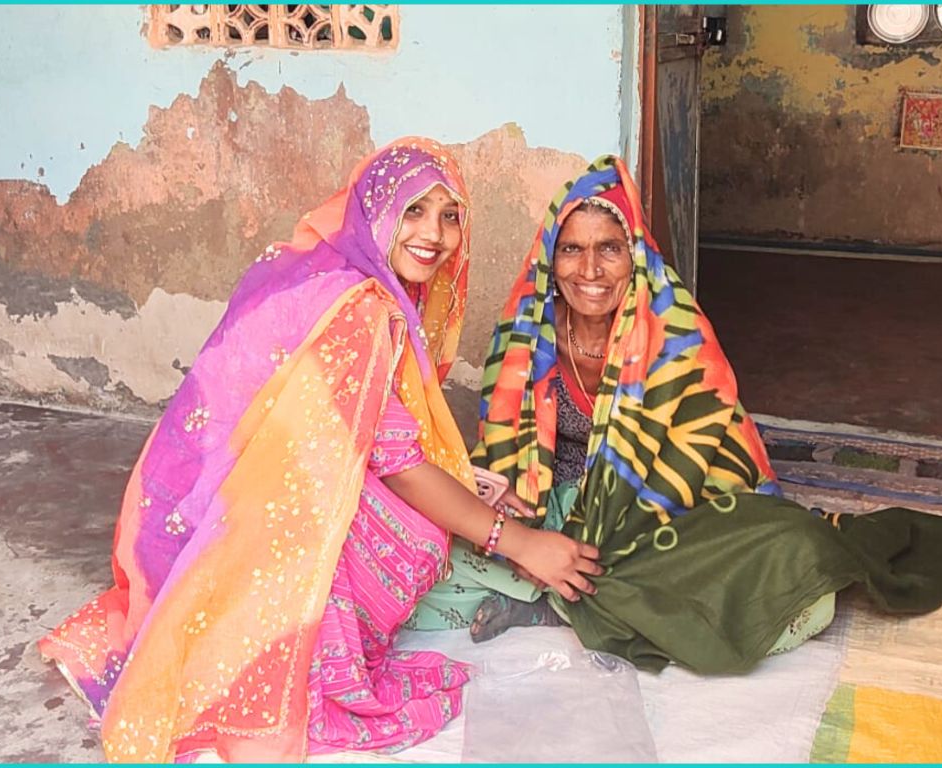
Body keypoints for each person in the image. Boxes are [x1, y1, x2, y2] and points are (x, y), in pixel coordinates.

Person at [38, 138, 600, 763]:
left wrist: (458, 472)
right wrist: (514, 541)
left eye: (449, 215)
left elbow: (348, 426)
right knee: (419, 530)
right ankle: (314, 648)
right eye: (413, 211)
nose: (434, 234)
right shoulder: (358, 309)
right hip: (250, 521)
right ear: (374, 211)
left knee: (447, 498)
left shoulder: (334, 275)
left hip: (207, 505)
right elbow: (396, 463)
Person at [411, 154, 942, 676]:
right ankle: (575, 598)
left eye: (609, 248)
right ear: (551, 255)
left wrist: (600, 536)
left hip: (662, 519)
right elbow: (500, 455)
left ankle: (550, 602)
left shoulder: (675, 332)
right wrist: (518, 520)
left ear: (634, 253)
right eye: (572, 248)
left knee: (804, 589)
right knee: (420, 557)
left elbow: (690, 469)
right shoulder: (526, 335)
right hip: (548, 510)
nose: (589, 270)